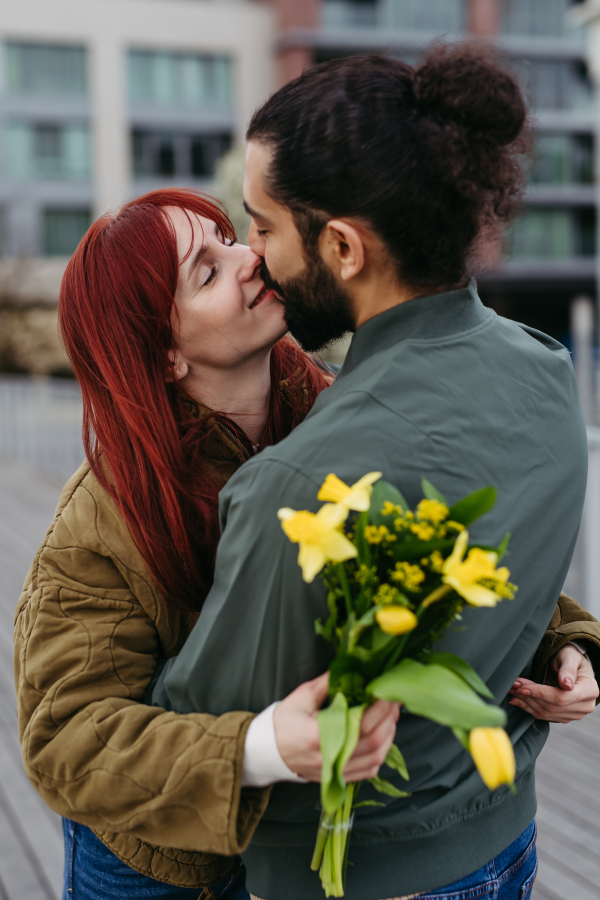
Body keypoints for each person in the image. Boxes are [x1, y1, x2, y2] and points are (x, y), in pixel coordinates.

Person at [150, 47, 600, 900]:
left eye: (264, 227)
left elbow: (199, 720)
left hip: (368, 876)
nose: (253, 257)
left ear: (344, 247)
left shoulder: (301, 484)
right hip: (509, 838)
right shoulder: (545, 368)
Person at [13, 189, 403, 900]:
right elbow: (66, 742)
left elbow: (430, 542)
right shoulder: (106, 510)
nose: (250, 258)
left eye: (229, 239)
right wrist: (259, 748)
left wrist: (561, 639)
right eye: (207, 271)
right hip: (157, 867)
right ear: (164, 354)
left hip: (302, 844)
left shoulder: (338, 412)